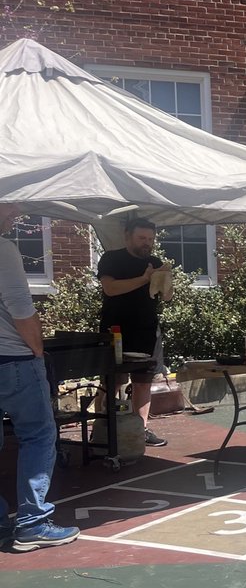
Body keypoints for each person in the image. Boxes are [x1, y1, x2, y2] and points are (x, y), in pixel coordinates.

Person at [0, 203, 81, 551]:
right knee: (38, 436)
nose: (17, 212)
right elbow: (21, 307)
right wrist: (37, 350)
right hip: (13, 359)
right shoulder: (4, 249)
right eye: (11, 205)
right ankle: (32, 522)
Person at [97, 217, 170, 447]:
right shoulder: (111, 259)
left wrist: (166, 280)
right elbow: (110, 288)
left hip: (147, 330)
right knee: (113, 380)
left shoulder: (155, 261)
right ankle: (102, 426)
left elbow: (166, 296)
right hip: (116, 329)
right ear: (127, 236)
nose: (146, 243)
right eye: (141, 238)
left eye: (150, 239)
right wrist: (143, 279)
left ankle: (141, 429)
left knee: (143, 382)